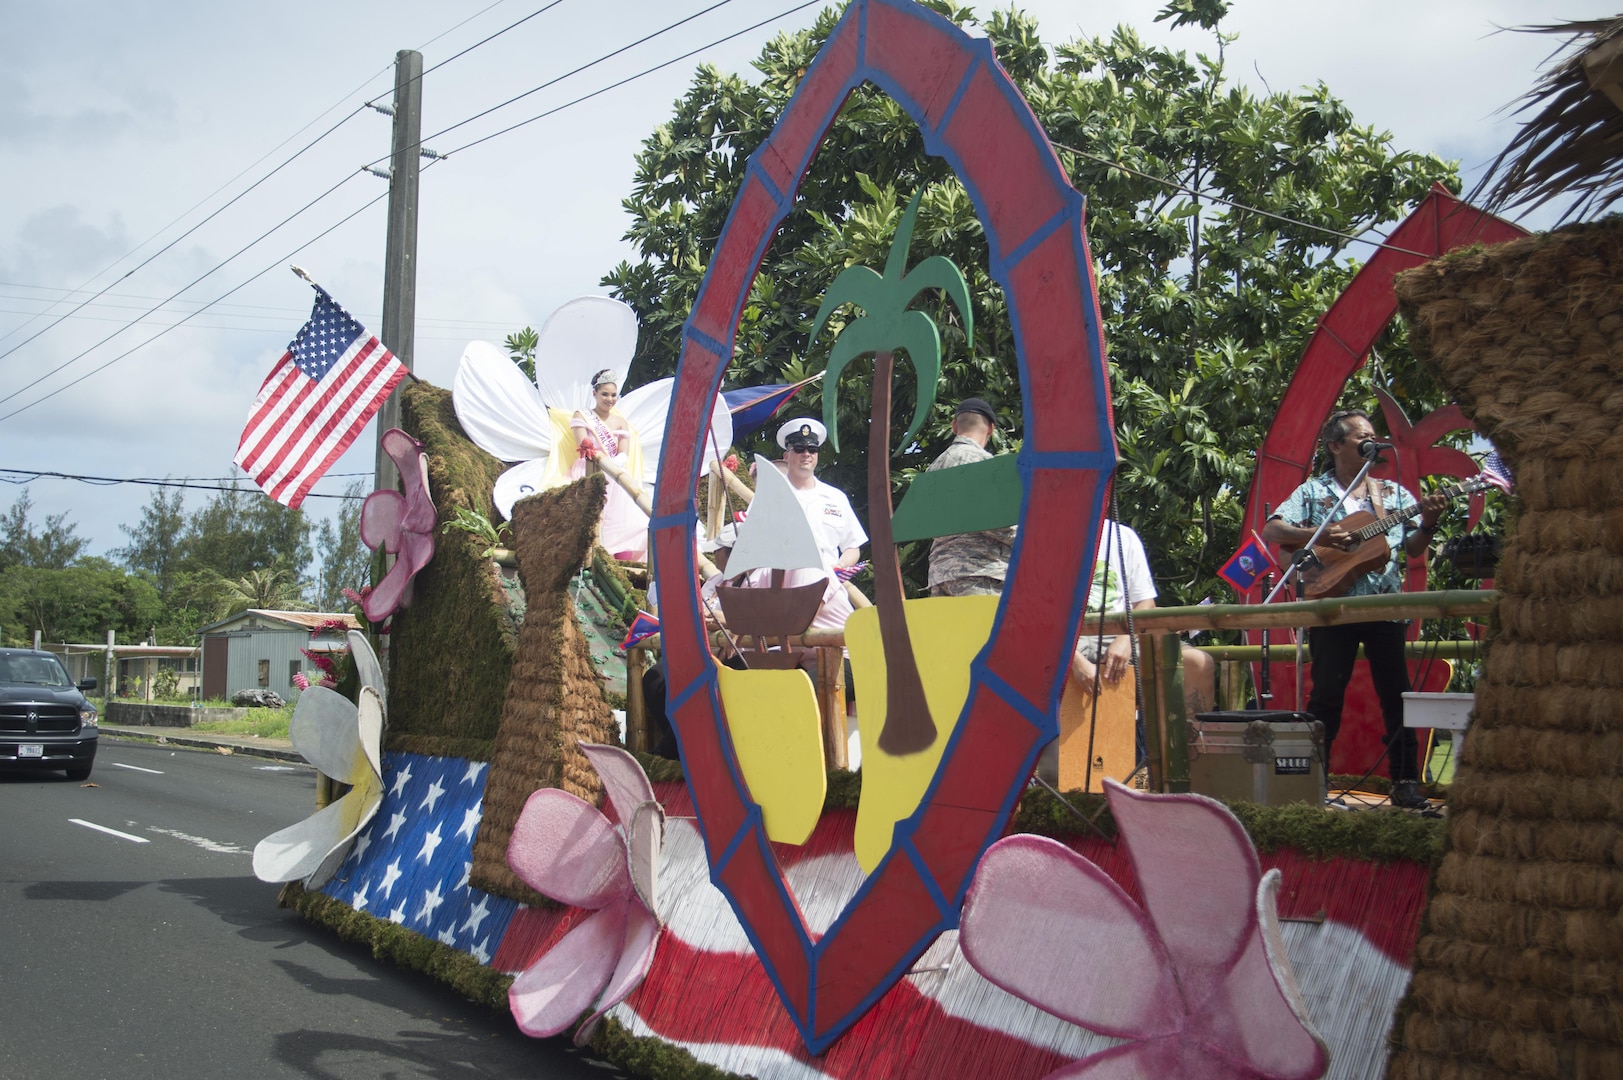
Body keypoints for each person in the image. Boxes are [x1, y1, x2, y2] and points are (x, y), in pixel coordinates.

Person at [1261, 408, 1446, 809]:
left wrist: (1427, 523)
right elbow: (1274, 529)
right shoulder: (1313, 492)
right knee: (1327, 694)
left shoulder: (1394, 495)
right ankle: (1316, 783)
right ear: (1335, 445)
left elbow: (1412, 547)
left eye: (1373, 437)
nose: (1371, 442)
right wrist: (1318, 531)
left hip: (1384, 607)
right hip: (1332, 605)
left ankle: (1405, 782)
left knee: (1396, 694)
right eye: (1362, 437)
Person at [1068, 520, 1215, 719]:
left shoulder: (1123, 536)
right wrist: (1073, 660)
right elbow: (1029, 614)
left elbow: (1145, 602)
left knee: (1196, 663)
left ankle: (1185, 748)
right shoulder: (1038, 534)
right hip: (1064, 638)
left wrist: (1126, 638)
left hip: (1121, 630)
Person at [927, 397, 1016, 597]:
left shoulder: (934, 467)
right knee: (987, 630)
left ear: (954, 426)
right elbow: (993, 519)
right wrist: (1029, 540)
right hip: (981, 571)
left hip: (940, 574)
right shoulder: (983, 463)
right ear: (991, 429)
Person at [570, 368, 645, 558]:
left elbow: (624, 452)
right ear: (595, 393)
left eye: (613, 395)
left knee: (622, 519)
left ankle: (613, 554)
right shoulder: (582, 417)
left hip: (615, 474)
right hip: (588, 469)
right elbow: (583, 446)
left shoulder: (620, 422)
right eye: (604, 394)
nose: (609, 399)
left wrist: (614, 464)